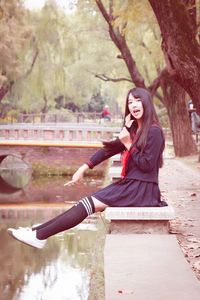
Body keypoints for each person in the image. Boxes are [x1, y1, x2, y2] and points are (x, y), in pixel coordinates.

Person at [7, 87, 167, 249]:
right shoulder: (133, 130)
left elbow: (147, 165)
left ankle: (39, 236)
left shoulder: (154, 131)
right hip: (131, 185)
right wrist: (83, 167)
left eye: (138, 101)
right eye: (130, 102)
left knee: (85, 204)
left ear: (146, 102)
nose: (134, 105)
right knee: (83, 204)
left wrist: (127, 142)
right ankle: (35, 232)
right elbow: (108, 150)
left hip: (143, 189)